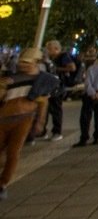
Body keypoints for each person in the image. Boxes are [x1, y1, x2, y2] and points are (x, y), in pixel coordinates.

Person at [1, 48, 60, 200]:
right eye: (22, 62)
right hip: (4, 118)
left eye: (28, 63)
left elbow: (43, 102)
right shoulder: (10, 78)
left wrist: (40, 122)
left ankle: (3, 183)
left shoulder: (43, 81)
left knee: (13, 152)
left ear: (37, 63)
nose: (23, 65)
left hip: (23, 120)